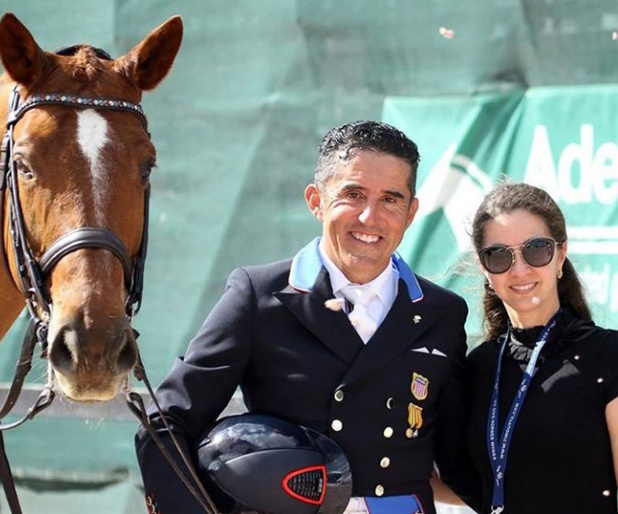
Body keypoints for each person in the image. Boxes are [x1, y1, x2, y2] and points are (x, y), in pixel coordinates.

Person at [135, 120, 476, 514]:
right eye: (353, 194)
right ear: (316, 201)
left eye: (390, 199)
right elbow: (165, 426)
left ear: (412, 211)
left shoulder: (442, 313)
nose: (370, 217)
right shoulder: (258, 295)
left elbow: (458, 461)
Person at [465, 182, 618, 513]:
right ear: (484, 268)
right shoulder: (476, 367)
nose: (519, 270)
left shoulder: (609, 356)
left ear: (560, 255)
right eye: (498, 255)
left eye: (536, 249)